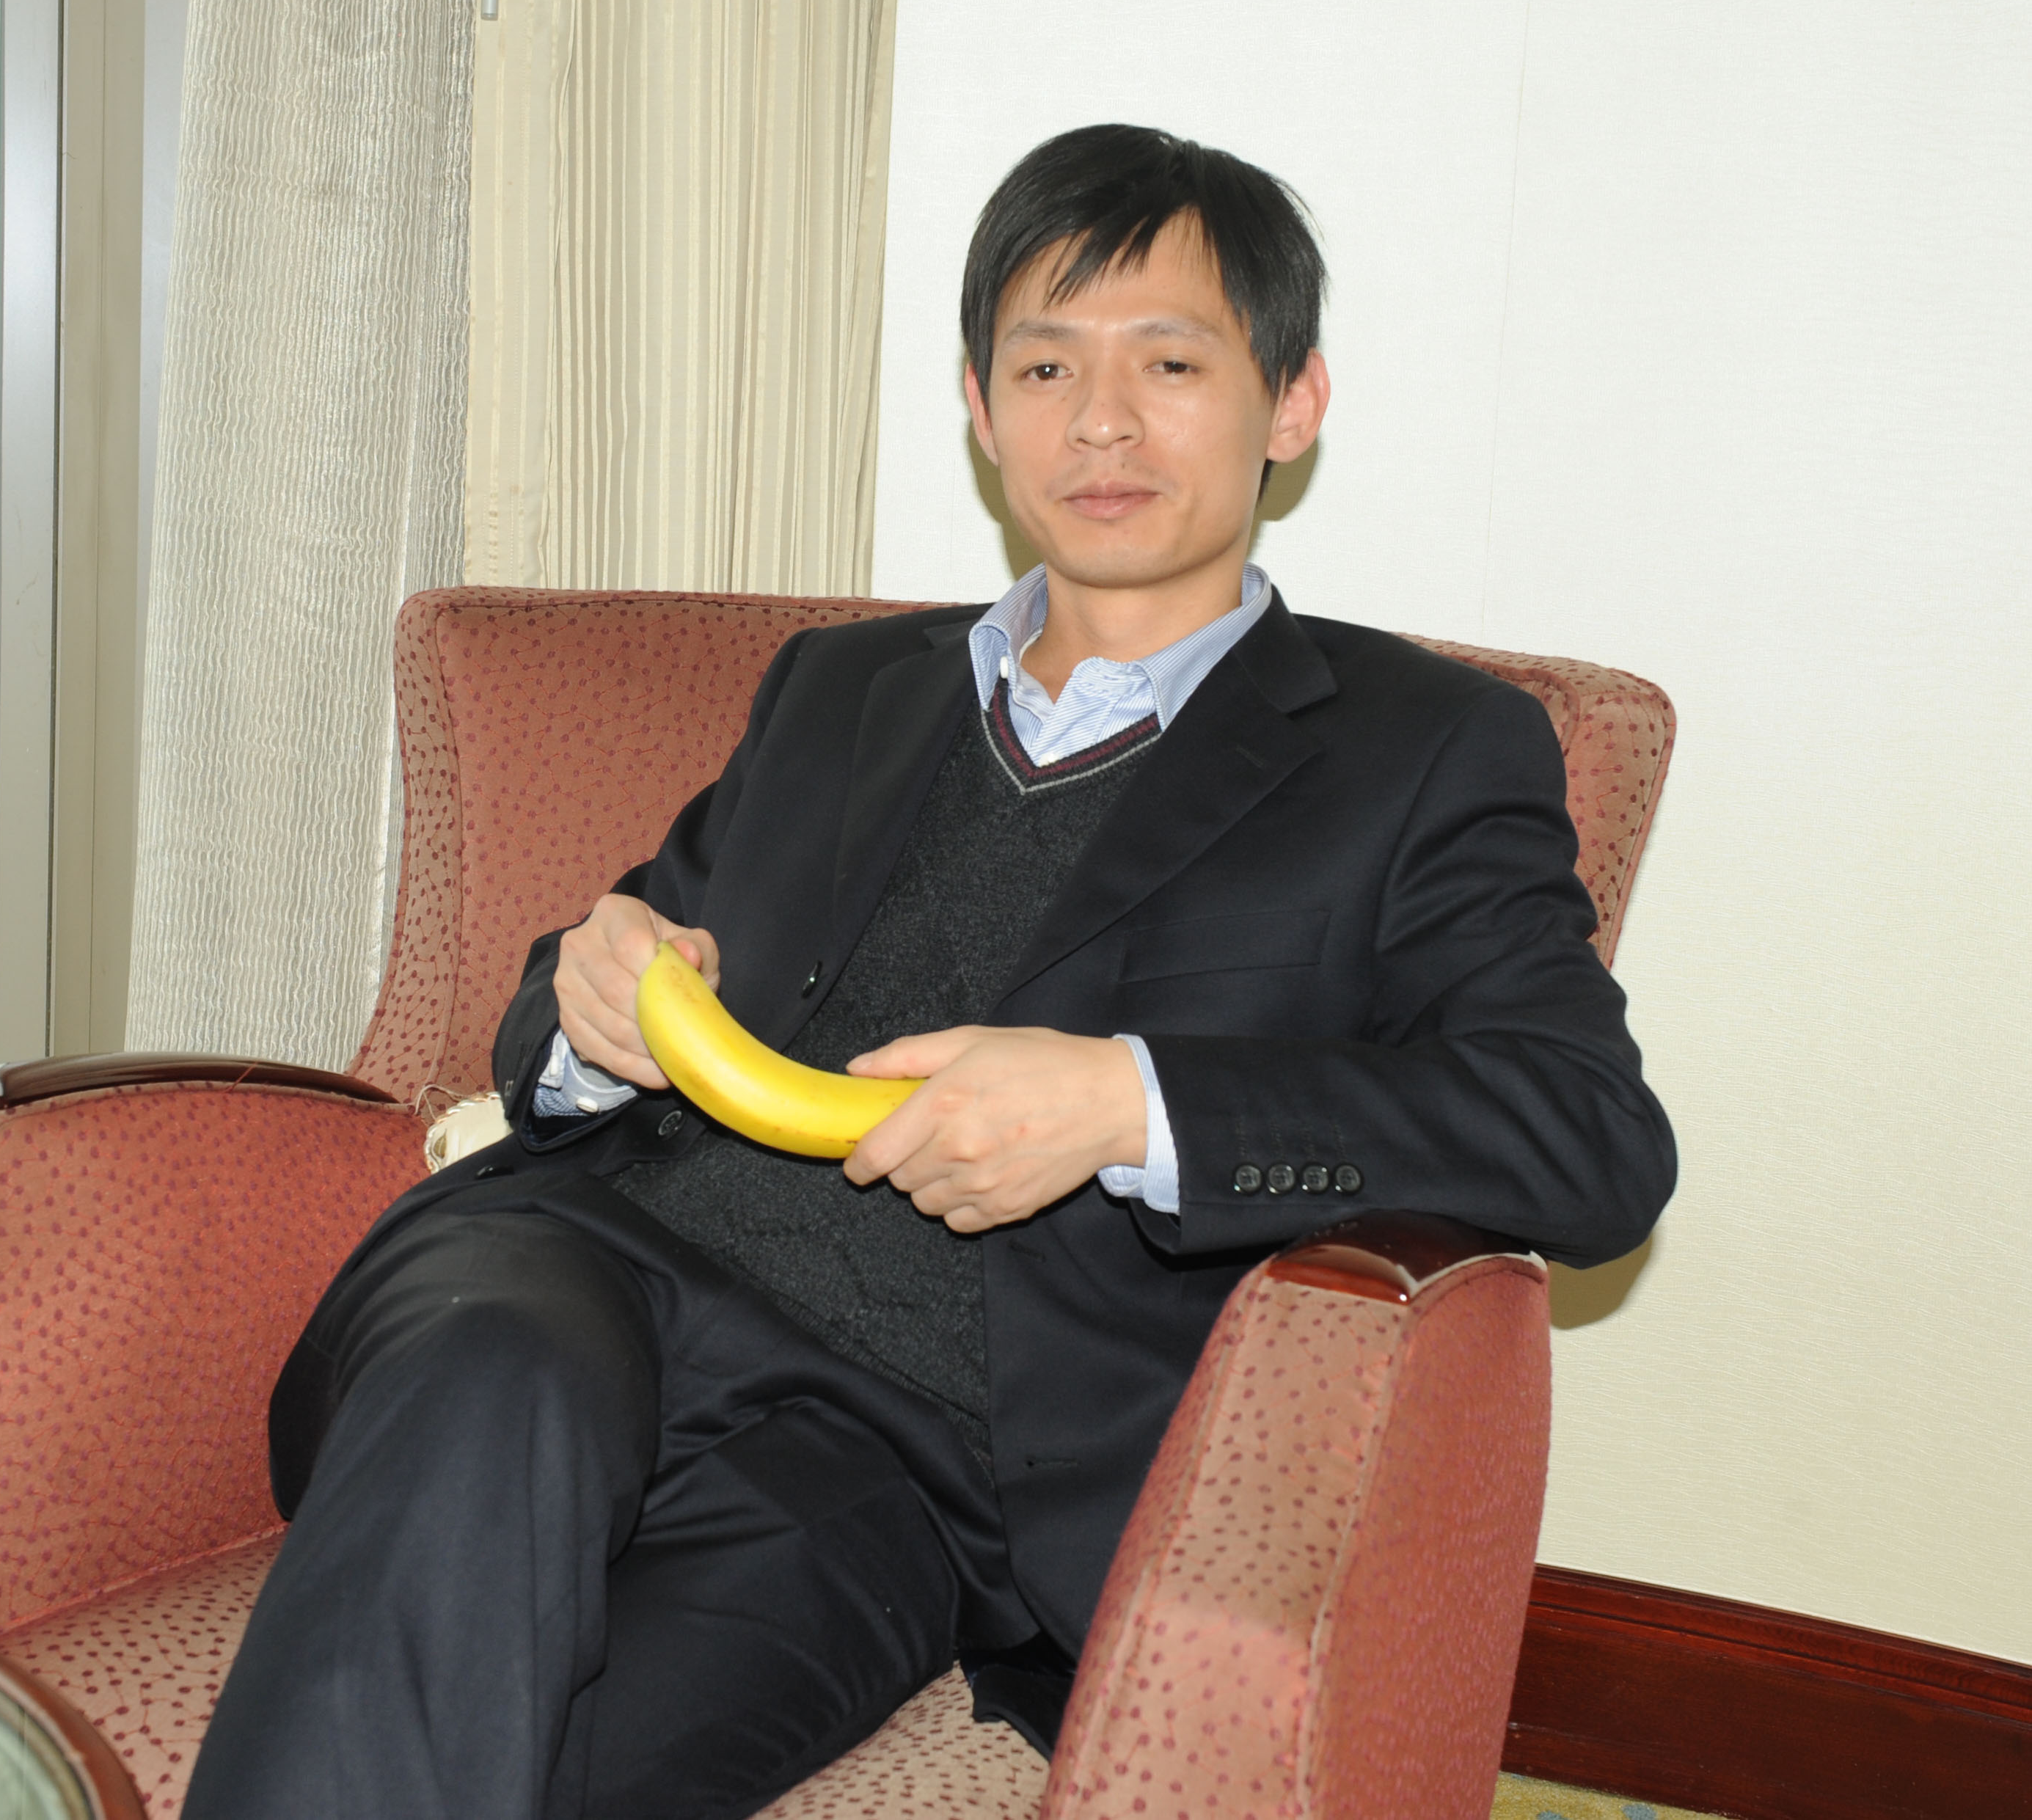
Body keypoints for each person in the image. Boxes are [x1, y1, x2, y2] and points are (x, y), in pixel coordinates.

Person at [186, 123, 1675, 1820]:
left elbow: (1586, 1140)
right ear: (979, 409)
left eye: (1167, 362)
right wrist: (589, 1006)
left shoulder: (1426, 749)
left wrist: (1128, 1103)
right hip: (575, 1273)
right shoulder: (841, 687)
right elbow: (615, 957)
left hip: (904, 1458)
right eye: (1042, 366)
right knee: (495, 1373)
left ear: (1290, 401)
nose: (1097, 420)